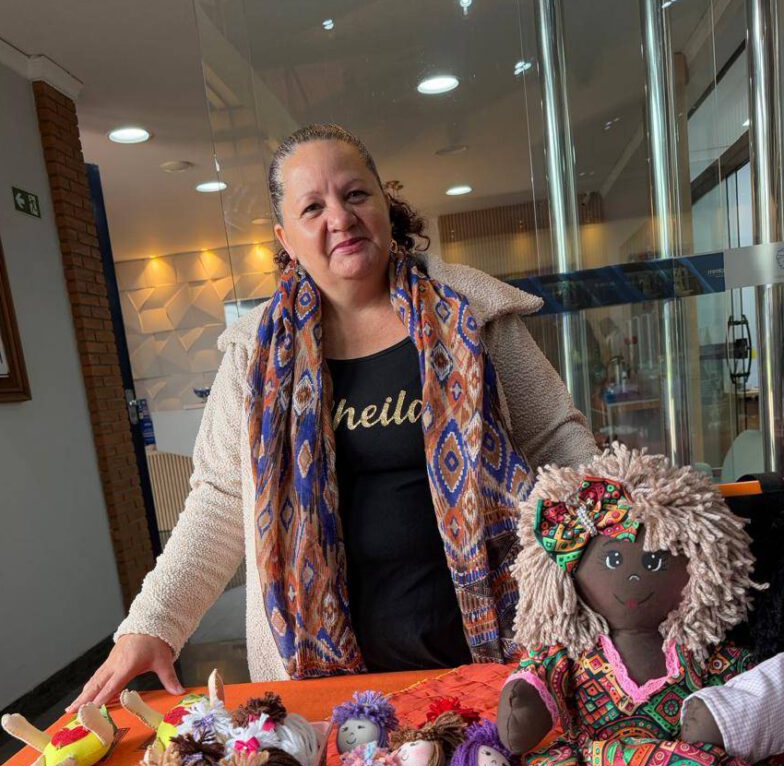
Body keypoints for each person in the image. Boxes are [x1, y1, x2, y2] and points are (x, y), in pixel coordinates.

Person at [68, 123, 596, 711]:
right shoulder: (253, 354)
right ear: (286, 238)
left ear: (385, 205)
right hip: (325, 680)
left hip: (490, 657)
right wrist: (154, 622)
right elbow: (221, 497)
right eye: (313, 207)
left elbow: (558, 444)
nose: (340, 218)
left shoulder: (474, 314)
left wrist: (618, 549)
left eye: (355, 194)